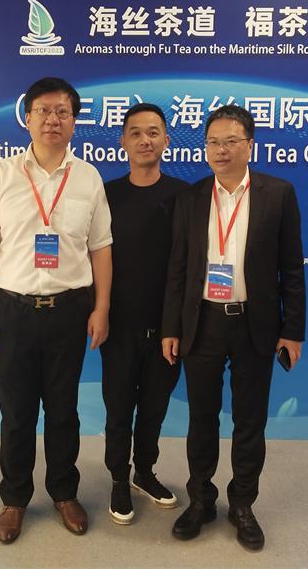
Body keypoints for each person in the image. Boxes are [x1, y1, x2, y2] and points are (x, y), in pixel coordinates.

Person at [0, 77, 112, 544]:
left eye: (63, 112)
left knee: (64, 410)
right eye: (44, 111)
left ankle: (64, 493)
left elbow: (101, 248)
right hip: (13, 311)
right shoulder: (2, 174)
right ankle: (14, 499)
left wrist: (102, 308)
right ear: (27, 118)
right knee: (16, 412)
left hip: (70, 310)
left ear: (74, 121)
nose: (53, 119)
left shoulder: (88, 177)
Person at [161, 105, 306, 550]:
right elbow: (178, 268)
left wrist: (292, 330)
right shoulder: (191, 198)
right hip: (202, 322)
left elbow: (291, 269)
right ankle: (200, 500)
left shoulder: (277, 194)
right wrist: (171, 327)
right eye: (213, 142)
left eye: (230, 141)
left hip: (254, 324)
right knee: (201, 419)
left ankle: (242, 504)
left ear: (249, 145)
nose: (220, 150)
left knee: (249, 421)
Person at [100, 103, 188, 525]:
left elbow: (189, 265)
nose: (144, 140)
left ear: (166, 140)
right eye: (135, 132)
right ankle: (119, 478)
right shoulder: (106, 195)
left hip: (168, 329)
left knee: (154, 408)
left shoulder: (186, 197)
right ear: (123, 142)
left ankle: (145, 472)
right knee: (119, 409)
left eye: (153, 132)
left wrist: (177, 325)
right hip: (118, 325)